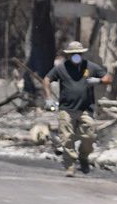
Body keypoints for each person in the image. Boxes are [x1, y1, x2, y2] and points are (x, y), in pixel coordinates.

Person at [43, 41, 112, 177]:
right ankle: (70, 165)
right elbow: (46, 80)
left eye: (78, 54)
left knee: (89, 136)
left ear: (81, 54)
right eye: (73, 54)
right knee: (67, 138)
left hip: (86, 109)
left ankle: (83, 157)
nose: (76, 56)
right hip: (66, 109)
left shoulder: (90, 67)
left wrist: (98, 81)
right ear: (68, 55)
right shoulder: (62, 68)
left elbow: (107, 78)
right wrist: (49, 99)